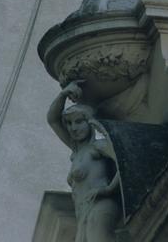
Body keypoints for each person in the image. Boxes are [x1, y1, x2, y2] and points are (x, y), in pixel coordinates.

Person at [47, 81, 121, 242]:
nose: (73, 128)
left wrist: (108, 189)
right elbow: (52, 119)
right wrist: (63, 94)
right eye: (69, 123)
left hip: (100, 206)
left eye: (79, 121)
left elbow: (125, 164)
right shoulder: (77, 150)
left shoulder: (98, 146)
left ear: (90, 122)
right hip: (83, 212)